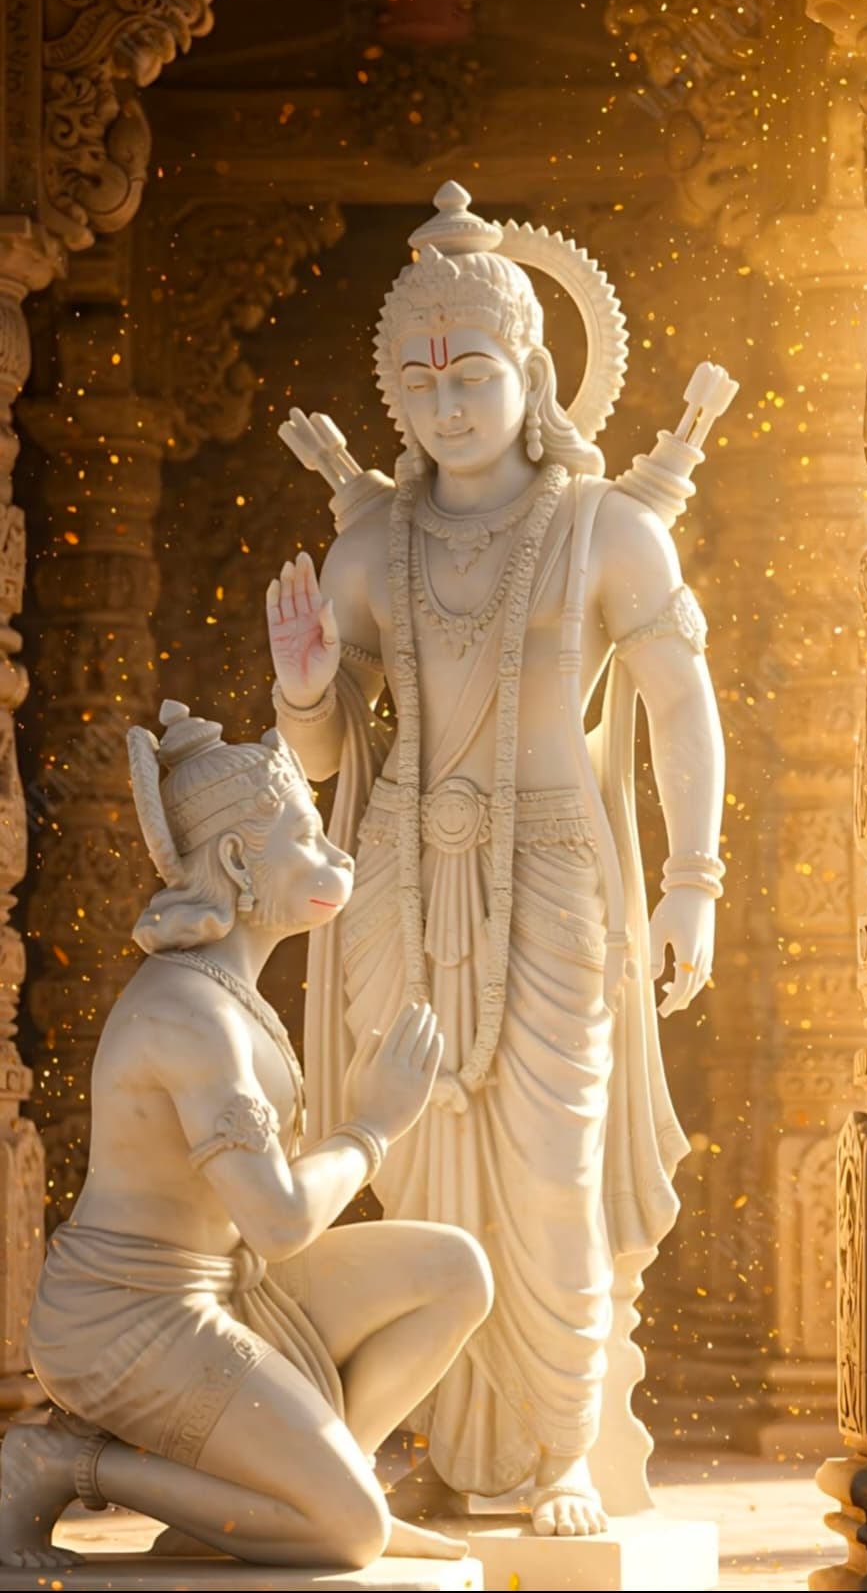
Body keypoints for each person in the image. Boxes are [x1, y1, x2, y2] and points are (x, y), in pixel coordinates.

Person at [269, 182, 727, 1536]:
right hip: (407, 875)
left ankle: (559, 1451)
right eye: (417, 378)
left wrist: (692, 882)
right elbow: (321, 763)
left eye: (471, 369)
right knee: (413, 1169)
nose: (446, 401)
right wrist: (304, 689)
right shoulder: (375, 546)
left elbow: (681, 713)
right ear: (392, 397)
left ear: (530, 373)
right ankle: (438, 1442)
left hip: (549, 871)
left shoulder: (607, 530)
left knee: (548, 1165)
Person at [0, 699, 492, 1571]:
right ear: (235, 860)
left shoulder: (235, 998)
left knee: (455, 1270)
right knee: (348, 1539)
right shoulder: (193, 1016)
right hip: (128, 1313)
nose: (334, 856)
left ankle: (313, 1490)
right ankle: (72, 1464)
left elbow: (258, 1226)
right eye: (305, 836)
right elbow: (278, 1221)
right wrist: (373, 1125)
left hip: (228, 1283)